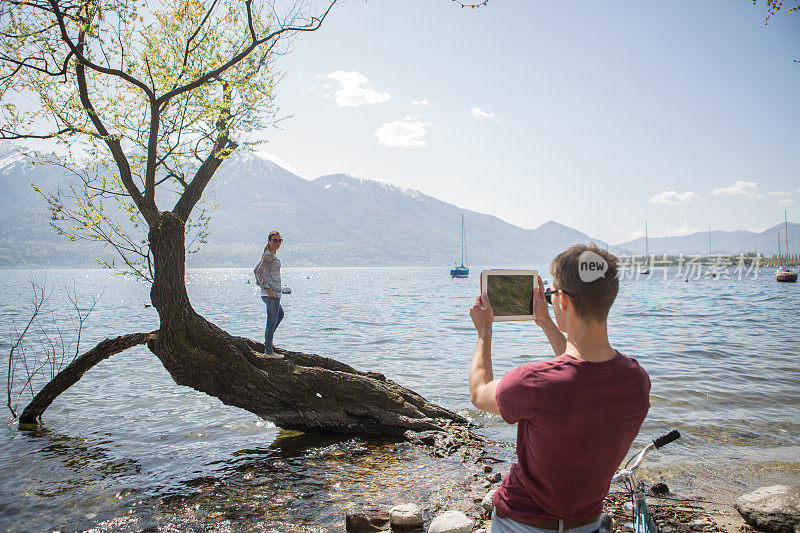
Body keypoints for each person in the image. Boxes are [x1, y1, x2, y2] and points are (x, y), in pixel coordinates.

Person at [468, 244, 650, 533]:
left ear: (562, 300)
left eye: (551, 295)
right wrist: (546, 322)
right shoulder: (637, 381)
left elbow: (479, 393)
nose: (550, 300)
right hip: (586, 524)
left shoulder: (533, 382)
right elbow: (580, 372)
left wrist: (484, 332)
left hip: (519, 522)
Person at [254, 231, 285, 358]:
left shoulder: (270, 254)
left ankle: (268, 342)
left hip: (274, 293)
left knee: (280, 315)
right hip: (271, 295)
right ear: (269, 241)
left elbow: (256, 270)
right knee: (271, 321)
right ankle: (268, 351)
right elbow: (259, 272)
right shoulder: (269, 255)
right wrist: (267, 289)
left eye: (280, 240)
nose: (278, 243)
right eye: (275, 240)